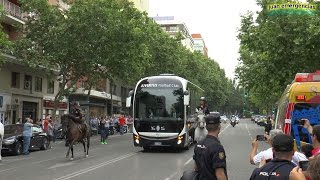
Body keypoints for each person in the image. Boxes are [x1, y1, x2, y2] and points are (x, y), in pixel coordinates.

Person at [193, 114, 228, 180]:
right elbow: (220, 175)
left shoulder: (198, 145)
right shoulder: (217, 148)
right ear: (219, 127)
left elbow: (196, 168)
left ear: (206, 127)